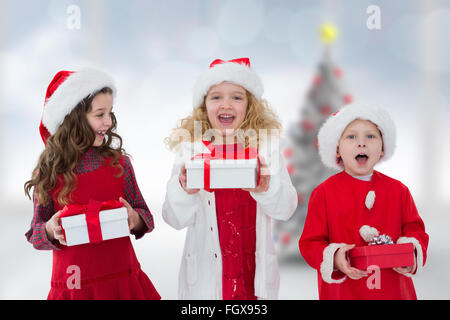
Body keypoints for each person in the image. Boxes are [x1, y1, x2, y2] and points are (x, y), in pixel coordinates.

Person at [162, 58, 297, 299]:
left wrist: (266, 187)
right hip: (206, 279)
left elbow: (286, 208)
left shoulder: (266, 149)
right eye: (216, 97)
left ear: (250, 106)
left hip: (252, 276)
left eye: (237, 97)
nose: (226, 104)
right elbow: (173, 218)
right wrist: (184, 190)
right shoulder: (191, 151)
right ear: (204, 106)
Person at [24, 68, 160, 300]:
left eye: (110, 113)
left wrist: (134, 219)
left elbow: (145, 216)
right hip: (75, 288)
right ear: (72, 118)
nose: (108, 121)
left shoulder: (120, 165)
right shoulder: (49, 173)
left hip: (122, 280)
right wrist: (50, 229)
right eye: (99, 114)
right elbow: (35, 233)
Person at [299, 102, 429, 299]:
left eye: (371, 136)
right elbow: (310, 243)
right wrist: (334, 257)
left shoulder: (398, 191)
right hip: (345, 292)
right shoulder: (324, 193)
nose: (362, 143)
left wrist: (409, 252)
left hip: (393, 290)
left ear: (383, 148)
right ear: (337, 150)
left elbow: (416, 230)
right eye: (351, 136)